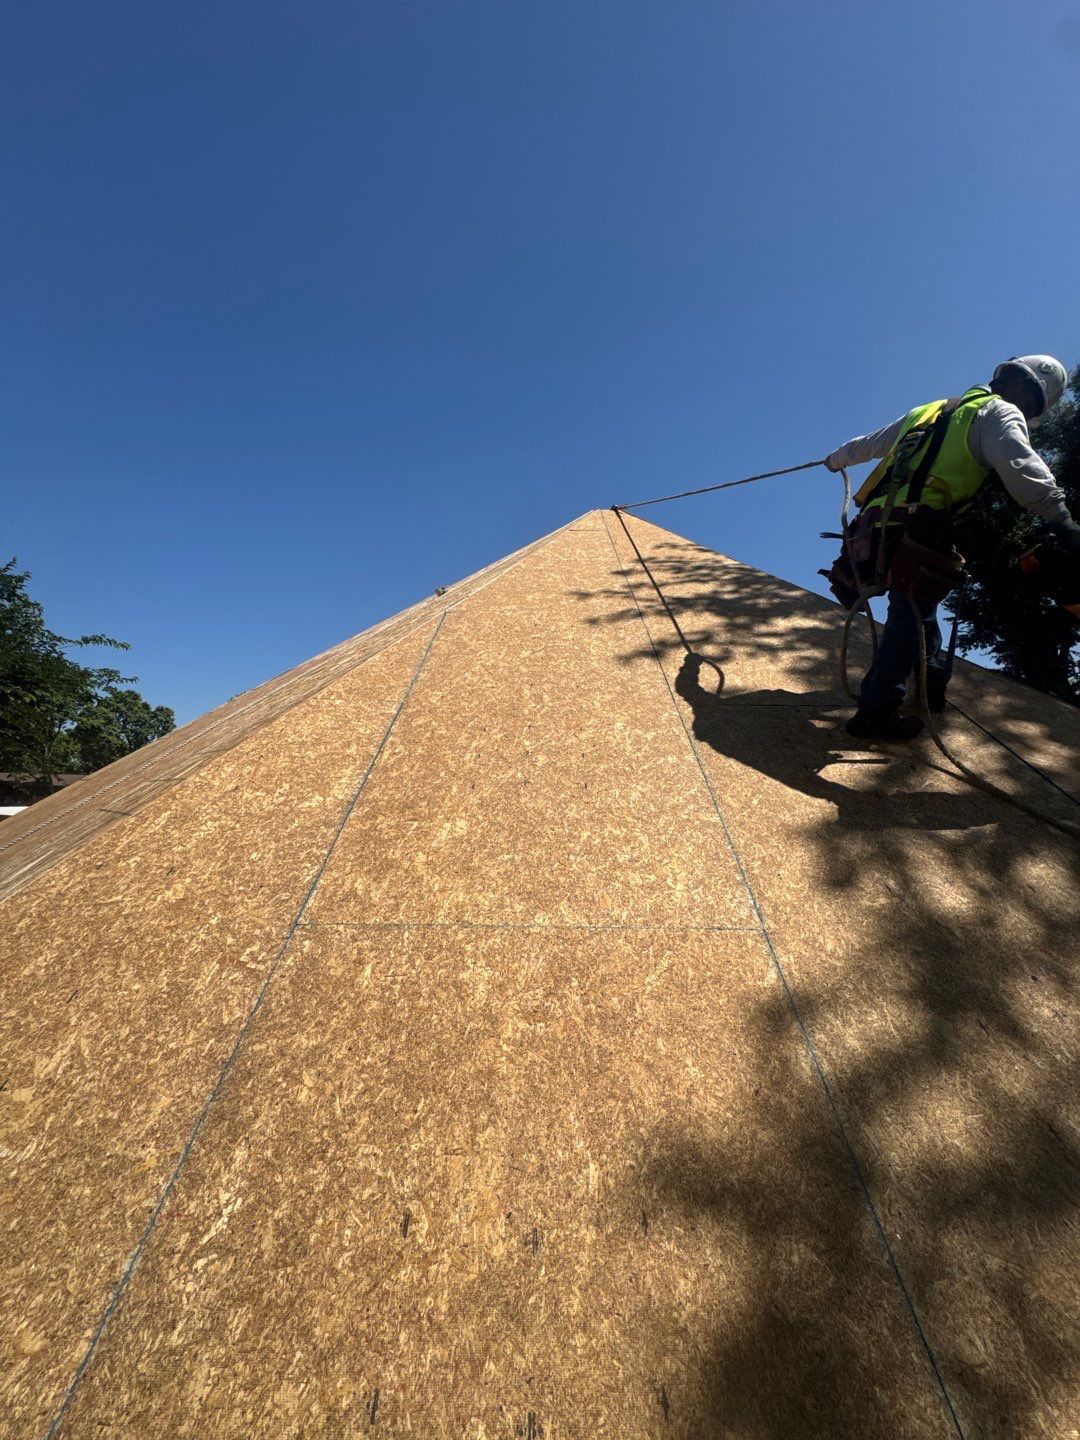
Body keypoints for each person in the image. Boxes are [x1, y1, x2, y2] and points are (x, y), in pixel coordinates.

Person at [824, 355, 1080, 740]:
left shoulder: (931, 410)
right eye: (1033, 408)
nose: (1027, 416)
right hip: (921, 528)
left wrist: (836, 459)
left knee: (919, 608)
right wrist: (1063, 521)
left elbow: (871, 443)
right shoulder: (999, 412)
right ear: (1029, 393)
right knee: (910, 613)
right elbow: (1023, 469)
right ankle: (877, 709)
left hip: (874, 527)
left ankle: (931, 676)